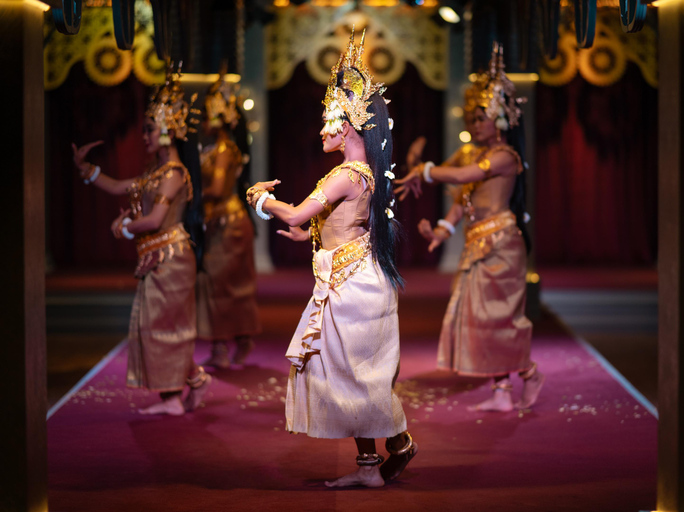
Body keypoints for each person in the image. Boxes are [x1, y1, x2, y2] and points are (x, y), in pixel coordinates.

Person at [245, 31, 416, 487]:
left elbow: (299, 208)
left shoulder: (347, 174)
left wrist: (260, 200)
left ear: (350, 126)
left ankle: (399, 444)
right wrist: (311, 234)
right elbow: (343, 224)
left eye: (329, 120)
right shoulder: (360, 175)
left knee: (355, 375)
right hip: (349, 279)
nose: (323, 129)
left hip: (353, 286)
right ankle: (368, 469)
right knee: (346, 373)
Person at [395, 44, 545, 413]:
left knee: (499, 317)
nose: (473, 124)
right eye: (470, 118)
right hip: (476, 243)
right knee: (479, 318)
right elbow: (463, 196)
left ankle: (528, 372)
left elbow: (463, 176)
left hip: (501, 243)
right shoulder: (471, 153)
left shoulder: (504, 157)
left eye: (481, 118)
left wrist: (425, 170)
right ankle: (501, 392)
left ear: (502, 120)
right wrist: (443, 229)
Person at [71, 64, 211, 416]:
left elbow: (154, 219)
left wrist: (124, 227)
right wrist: (87, 170)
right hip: (158, 256)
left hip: (171, 257)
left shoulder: (176, 174)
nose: (144, 135)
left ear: (166, 131)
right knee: (156, 326)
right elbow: (120, 186)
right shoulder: (155, 172)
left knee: (164, 327)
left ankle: (174, 397)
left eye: (149, 129)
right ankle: (188, 383)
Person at [196, 77, 261, 369]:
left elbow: (218, 191)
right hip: (221, 223)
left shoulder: (223, 151)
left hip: (228, 223)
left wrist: (188, 192)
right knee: (218, 284)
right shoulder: (213, 150)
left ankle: (237, 341)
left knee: (224, 283)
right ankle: (222, 345)